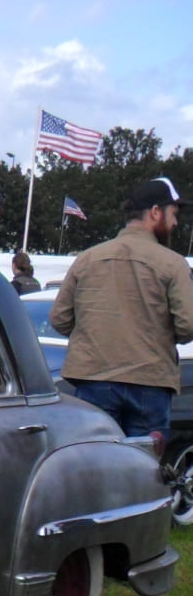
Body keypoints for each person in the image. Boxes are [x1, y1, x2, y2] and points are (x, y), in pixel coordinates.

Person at [49, 177, 193, 437]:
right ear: (156, 212)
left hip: (93, 381)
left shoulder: (87, 259)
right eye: (173, 214)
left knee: (93, 464)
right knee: (141, 468)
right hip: (150, 384)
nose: (175, 223)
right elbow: (188, 326)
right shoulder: (173, 264)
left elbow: (59, 319)